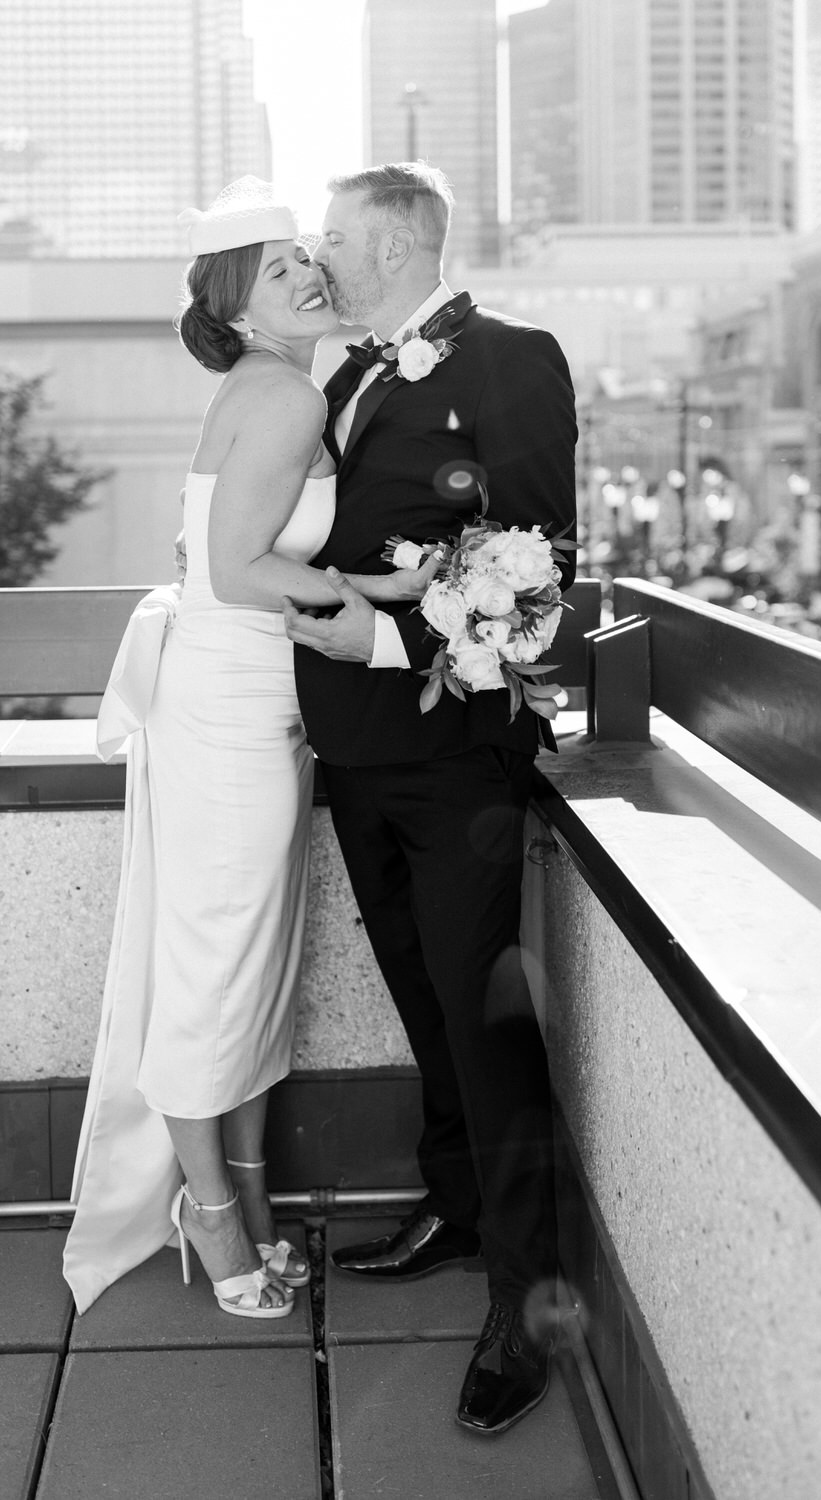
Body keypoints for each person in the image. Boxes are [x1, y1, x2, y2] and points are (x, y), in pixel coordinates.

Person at [63, 178, 435, 1320]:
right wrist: (385, 595)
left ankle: (248, 1198)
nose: (309, 275)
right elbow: (237, 574)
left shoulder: (268, 383)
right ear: (235, 302)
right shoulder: (277, 397)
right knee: (222, 971)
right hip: (229, 711)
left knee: (250, 963)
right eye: (279, 269)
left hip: (245, 703)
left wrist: (388, 583)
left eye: (306, 259)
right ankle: (214, 1215)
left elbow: (244, 557)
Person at [283, 162, 577, 1433]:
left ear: (397, 246)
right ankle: (457, 1212)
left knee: (484, 1019)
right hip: (350, 749)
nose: (318, 254)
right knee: (420, 992)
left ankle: (524, 1296)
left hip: (454, 758)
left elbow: (540, 572)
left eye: (335, 236)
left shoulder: (514, 359)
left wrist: (391, 647)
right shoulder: (341, 372)